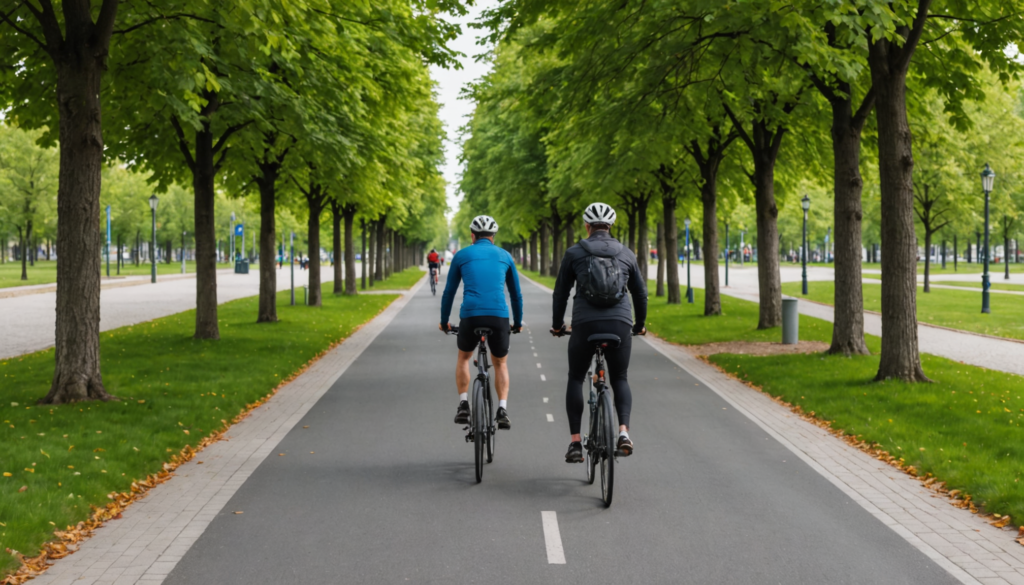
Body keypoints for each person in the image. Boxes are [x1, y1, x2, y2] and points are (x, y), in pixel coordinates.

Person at [551, 202, 647, 462]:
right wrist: (639, 325)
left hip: (585, 324)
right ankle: (623, 433)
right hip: (620, 323)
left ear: (587, 226)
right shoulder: (626, 253)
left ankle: (575, 443)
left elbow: (561, 293)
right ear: (611, 226)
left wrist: (558, 325)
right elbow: (640, 293)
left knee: (576, 378)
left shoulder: (574, 252)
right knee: (620, 378)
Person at [440, 215, 524, 430]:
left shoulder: (461, 255)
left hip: (470, 316)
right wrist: (517, 322)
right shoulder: (505, 256)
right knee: (500, 363)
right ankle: (502, 409)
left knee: (464, 357)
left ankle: (463, 404)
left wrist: (444, 321)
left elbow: (449, 292)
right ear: (493, 236)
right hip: (498, 316)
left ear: (472, 236)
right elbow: (516, 294)